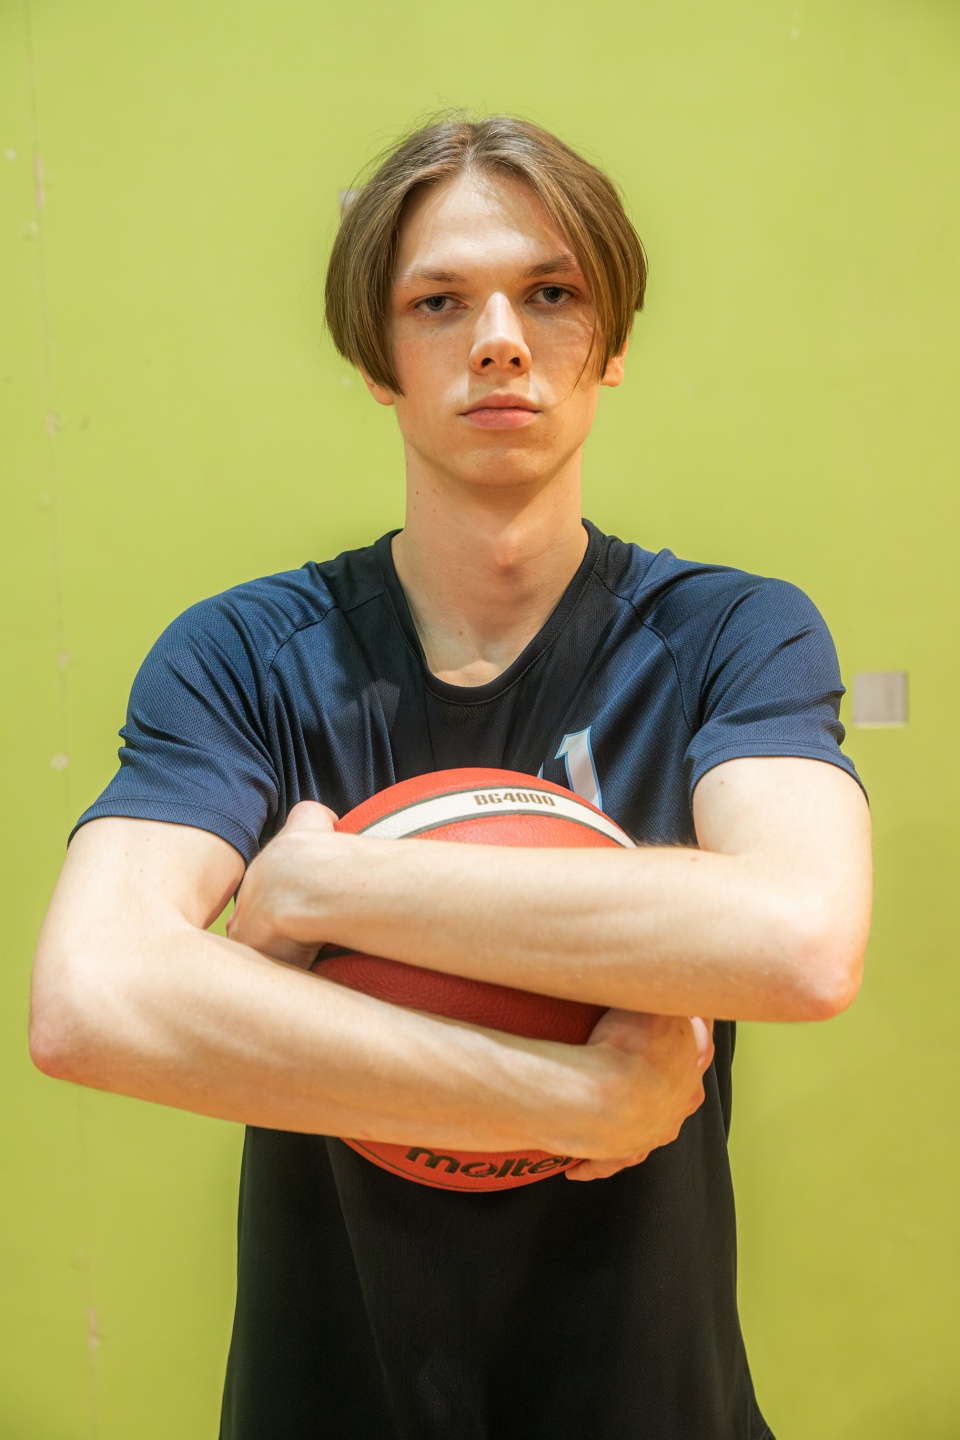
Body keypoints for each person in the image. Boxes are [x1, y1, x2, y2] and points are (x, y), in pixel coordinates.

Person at [30, 115, 872, 1440]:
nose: (499, 339)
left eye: (552, 293)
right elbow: (91, 996)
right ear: (380, 358)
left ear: (613, 339)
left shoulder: (729, 634)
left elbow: (801, 940)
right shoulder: (246, 656)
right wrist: (574, 1098)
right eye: (439, 302)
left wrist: (329, 887)